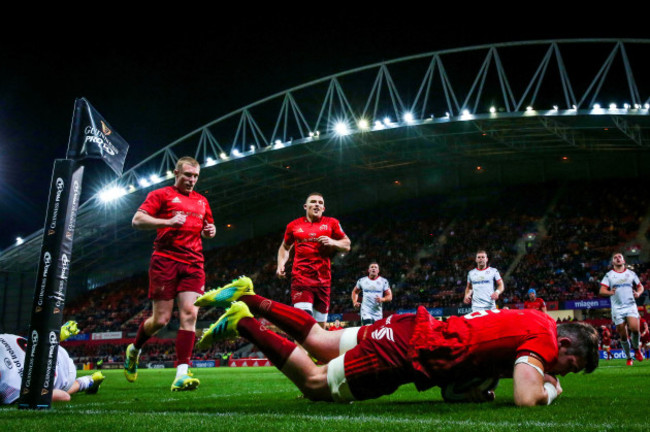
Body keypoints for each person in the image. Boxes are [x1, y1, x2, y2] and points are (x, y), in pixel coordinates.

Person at [196, 277, 598, 406]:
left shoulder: (534, 316)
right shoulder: (545, 338)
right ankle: (245, 324)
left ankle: (249, 296)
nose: (561, 370)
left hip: (413, 326)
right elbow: (527, 398)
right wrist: (552, 389)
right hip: (409, 351)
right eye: (569, 365)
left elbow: (456, 390)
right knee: (317, 384)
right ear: (564, 345)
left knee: (319, 339)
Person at [125, 156, 216, 390]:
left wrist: (210, 231)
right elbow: (137, 221)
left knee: (190, 315)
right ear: (176, 173)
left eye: (195, 176)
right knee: (161, 320)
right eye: (187, 175)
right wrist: (166, 222)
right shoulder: (161, 195)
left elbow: (206, 230)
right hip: (165, 261)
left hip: (194, 263)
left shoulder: (202, 201)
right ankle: (134, 349)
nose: (192, 180)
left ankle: (181, 373)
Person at [276, 193, 350, 326]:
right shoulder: (293, 226)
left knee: (320, 329)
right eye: (313, 202)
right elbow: (285, 247)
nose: (317, 204)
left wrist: (333, 242)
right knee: (303, 323)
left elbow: (347, 245)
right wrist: (281, 264)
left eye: (320, 203)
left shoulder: (332, 223)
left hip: (323, 281)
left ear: (323, 208)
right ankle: (299, 348)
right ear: (305, 206)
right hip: (301, 279)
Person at [1, 321, 104, 404]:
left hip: (64, 371)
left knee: (48, 392)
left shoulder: (11, 388)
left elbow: (64, 397)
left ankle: (88, 381)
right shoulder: (12, 388)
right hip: (53, 351)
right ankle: (56, 335)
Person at [599, 252, 645, 365]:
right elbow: (601, 290)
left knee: (635, 329)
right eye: (615, 257)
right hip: (617, 308)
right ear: (613, 262)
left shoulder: (631, 274)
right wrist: (609, 292)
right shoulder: (609, 275)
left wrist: (638, 293)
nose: (618, 258)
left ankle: (637, 349)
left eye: (620, 257)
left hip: (630, 305)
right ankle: (629, 357)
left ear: (624, 261)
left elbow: (640, 286)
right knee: (623, 335)